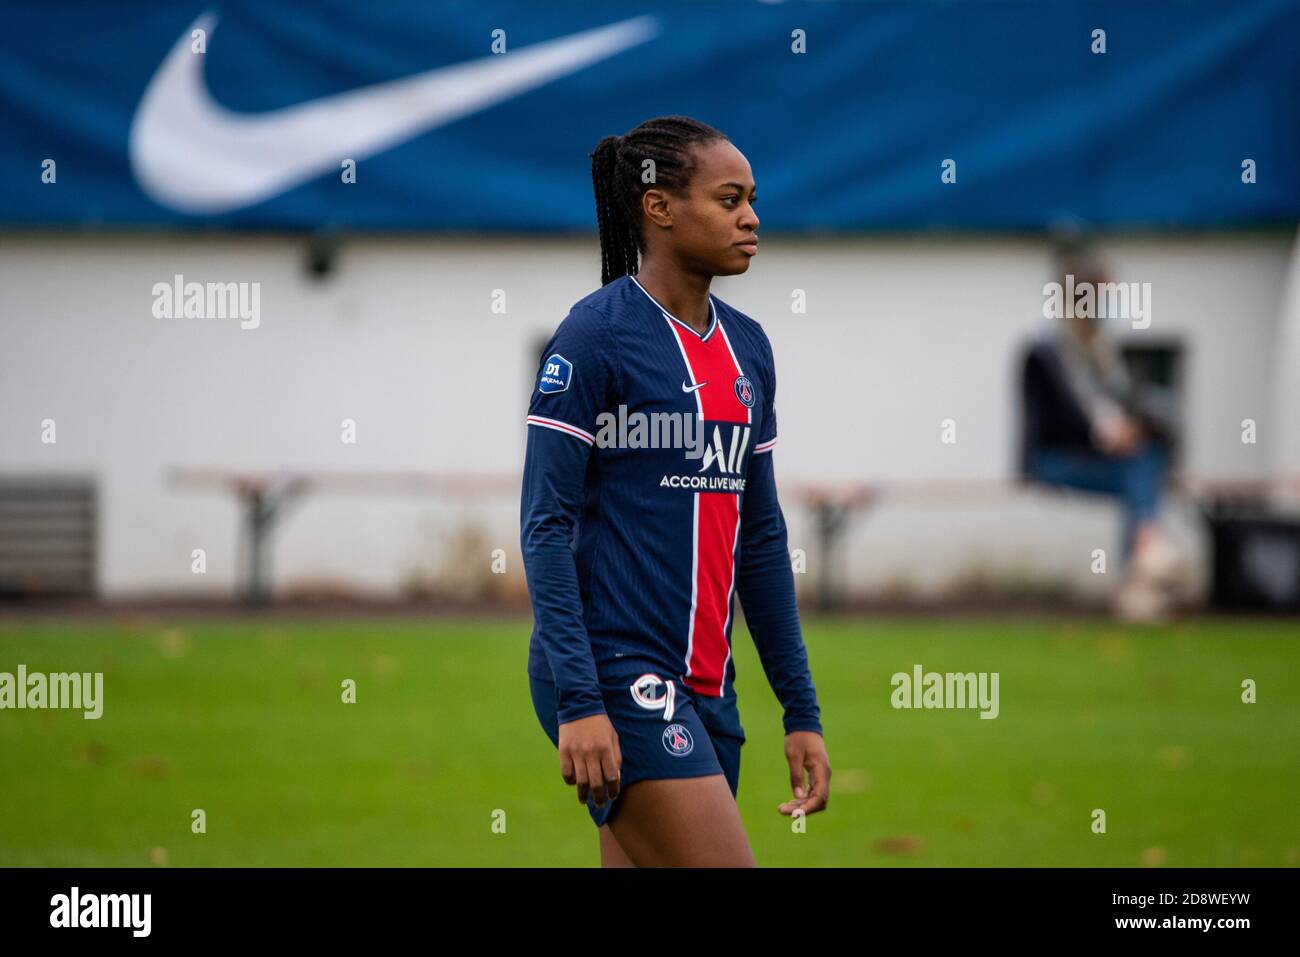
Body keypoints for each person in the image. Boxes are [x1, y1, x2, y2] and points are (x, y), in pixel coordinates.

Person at [520, 115, 831, 867]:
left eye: (753, 199)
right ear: (660, 208)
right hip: (614, 673)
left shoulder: (749, 347)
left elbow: (760, 538)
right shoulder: (594, 338)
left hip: (707, 685)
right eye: (729, 199)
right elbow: (546, 525)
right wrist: (581, 700)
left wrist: (800, 707)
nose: (752, 217)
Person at [1019, 247, 1187, 620]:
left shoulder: (1099, 350)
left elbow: (1123, 405)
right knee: (1140, 467)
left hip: (1102, 458)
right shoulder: (1045, 350)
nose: (1107, 305)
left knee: (1144, 459)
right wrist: (1107, 436)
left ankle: (1141, 564)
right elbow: (1066, 419)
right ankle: (1145, 558)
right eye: (1102, 295)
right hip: (1052, 461)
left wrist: (1132, 429)